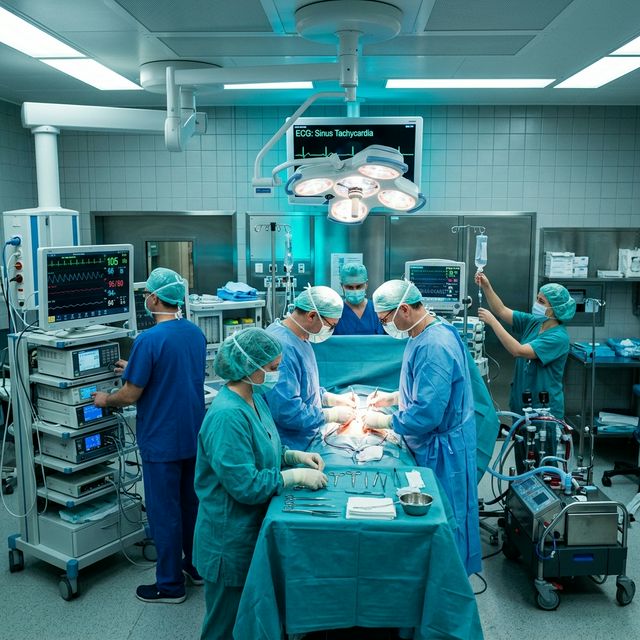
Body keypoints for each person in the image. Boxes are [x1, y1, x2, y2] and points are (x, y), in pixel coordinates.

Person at [193, 328, 327, 640]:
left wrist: (292, 456)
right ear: (249, 367)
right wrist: (293, 477)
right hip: (228, 540)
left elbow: (264, 446)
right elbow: (245, 485)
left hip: (250, 530)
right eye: (272, 368)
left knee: (251, 622)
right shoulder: (227, 416)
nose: (276, 374)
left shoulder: (254, 398)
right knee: (224, 626)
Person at [93, 267, 206, 604]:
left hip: (162, 440)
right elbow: (174, 371)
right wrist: (135, 367)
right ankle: (195, 568)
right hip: (192, 433)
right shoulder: (194, 333)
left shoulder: (148, 340)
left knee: (164, 513)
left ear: (154, 298)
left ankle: (169, 586)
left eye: (146, 294)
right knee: (191, 506)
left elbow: (130, 395)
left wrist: (105, 400)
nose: (145, 298)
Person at [365, 280, 481, 576]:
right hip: (437, 441)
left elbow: (428, 413)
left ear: (404, 309)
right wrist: (395, 397)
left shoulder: (434, 345)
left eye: (386, 320)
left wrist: (387, 421)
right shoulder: (426, 331)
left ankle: (447, 583)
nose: (385, 326)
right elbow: (430, 387)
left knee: (446, 518)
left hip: (443, 450)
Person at [265, 285, 356, 449]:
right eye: (331, 325)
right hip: (290, 444)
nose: (331, 330)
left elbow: (303, 386)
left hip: (306, 435)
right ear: (312, 315)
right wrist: (330, 415)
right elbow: (286, 411)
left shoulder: (301, 337)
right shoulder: (282, 347)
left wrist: (328, 398)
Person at [474, 274, 576, 419]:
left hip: (543, 408)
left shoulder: (558, 337)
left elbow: (518, 350)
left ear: (554, 309)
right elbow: (501, 310)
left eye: (541, 301)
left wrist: (493, 322)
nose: (536, 304)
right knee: (519, 433)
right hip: (521, 402)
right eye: (537, 299)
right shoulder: (535, 323)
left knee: (540, 434)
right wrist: (486, 286)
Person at [333, 262, 384, 336]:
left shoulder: (378, 310)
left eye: (359, 286)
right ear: (342, 286)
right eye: (350, 287)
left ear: (366, 284)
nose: (355, 291)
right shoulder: (335, 312)